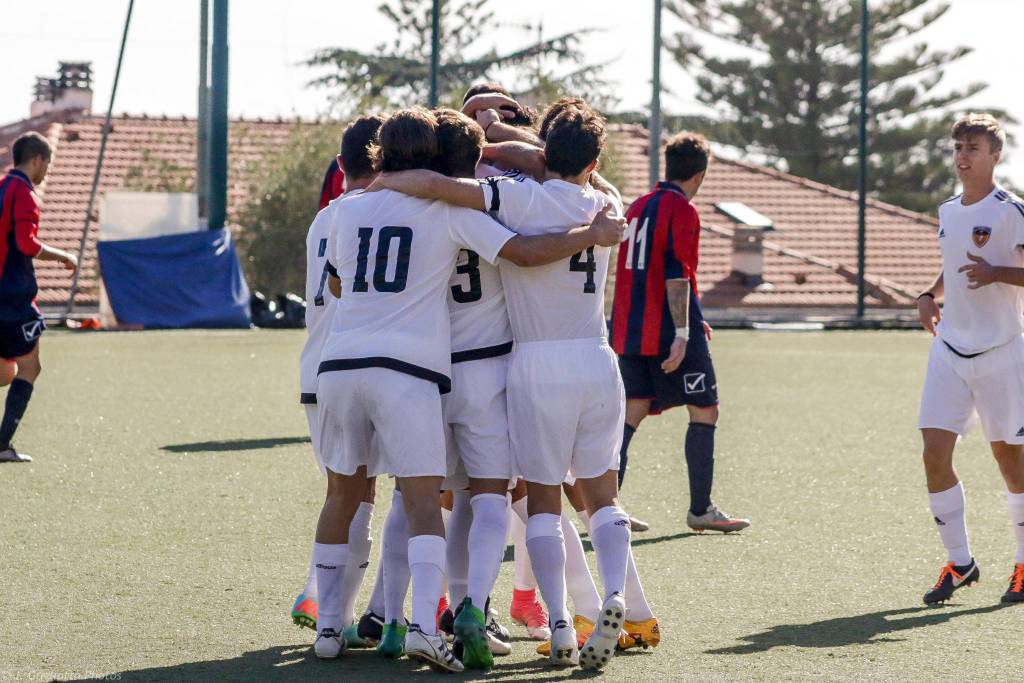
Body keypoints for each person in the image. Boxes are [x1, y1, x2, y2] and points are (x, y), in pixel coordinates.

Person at [311, 107, 624, 670]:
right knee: (481, 499)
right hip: (460, 372)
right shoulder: (467, 209)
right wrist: (593, 230)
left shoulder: (346, 209)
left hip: (368, 367)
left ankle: (367, 615)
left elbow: (336, 280)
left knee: (379, 497)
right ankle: (468, 609)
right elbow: (525, 253)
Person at [611, 132, 750, 535]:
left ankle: (604, 509)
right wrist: (683, 332)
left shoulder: (637, 207)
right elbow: (677, 274)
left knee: (632, 411)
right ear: (700, 175)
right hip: (667, 330)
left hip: (629, 330)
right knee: (705, 408)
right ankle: (701, 508)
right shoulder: (682, 211)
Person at [915, 113, 1024, 605]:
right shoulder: (947, 209)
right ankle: (960, 563)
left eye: (973, 148)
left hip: (1002, 353)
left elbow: (1001, 269)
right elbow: (951, 267)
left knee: (1010, 461)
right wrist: (928, 294)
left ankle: (1023, 565)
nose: (962, 155)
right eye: (958, 146)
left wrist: (998, 271)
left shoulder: (1012, 211)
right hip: (949, 352)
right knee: (933, 455)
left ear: (995, 156)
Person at [291, 115, 386, 640]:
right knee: (360, 493)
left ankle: (326, 603)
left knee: (345, 490)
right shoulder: (374, 213)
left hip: (319, 367)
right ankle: (335, 612)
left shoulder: (324, 217)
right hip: (357, 364)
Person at [0, 132, 78, 463]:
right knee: (29, 368)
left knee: (6, 372)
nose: (46, 171)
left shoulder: (2, 185)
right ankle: (2, 446)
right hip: (12, 296)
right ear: (36, 160)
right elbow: (26, 244)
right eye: (47, 164)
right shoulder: (25, 194)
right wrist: (64, 256)